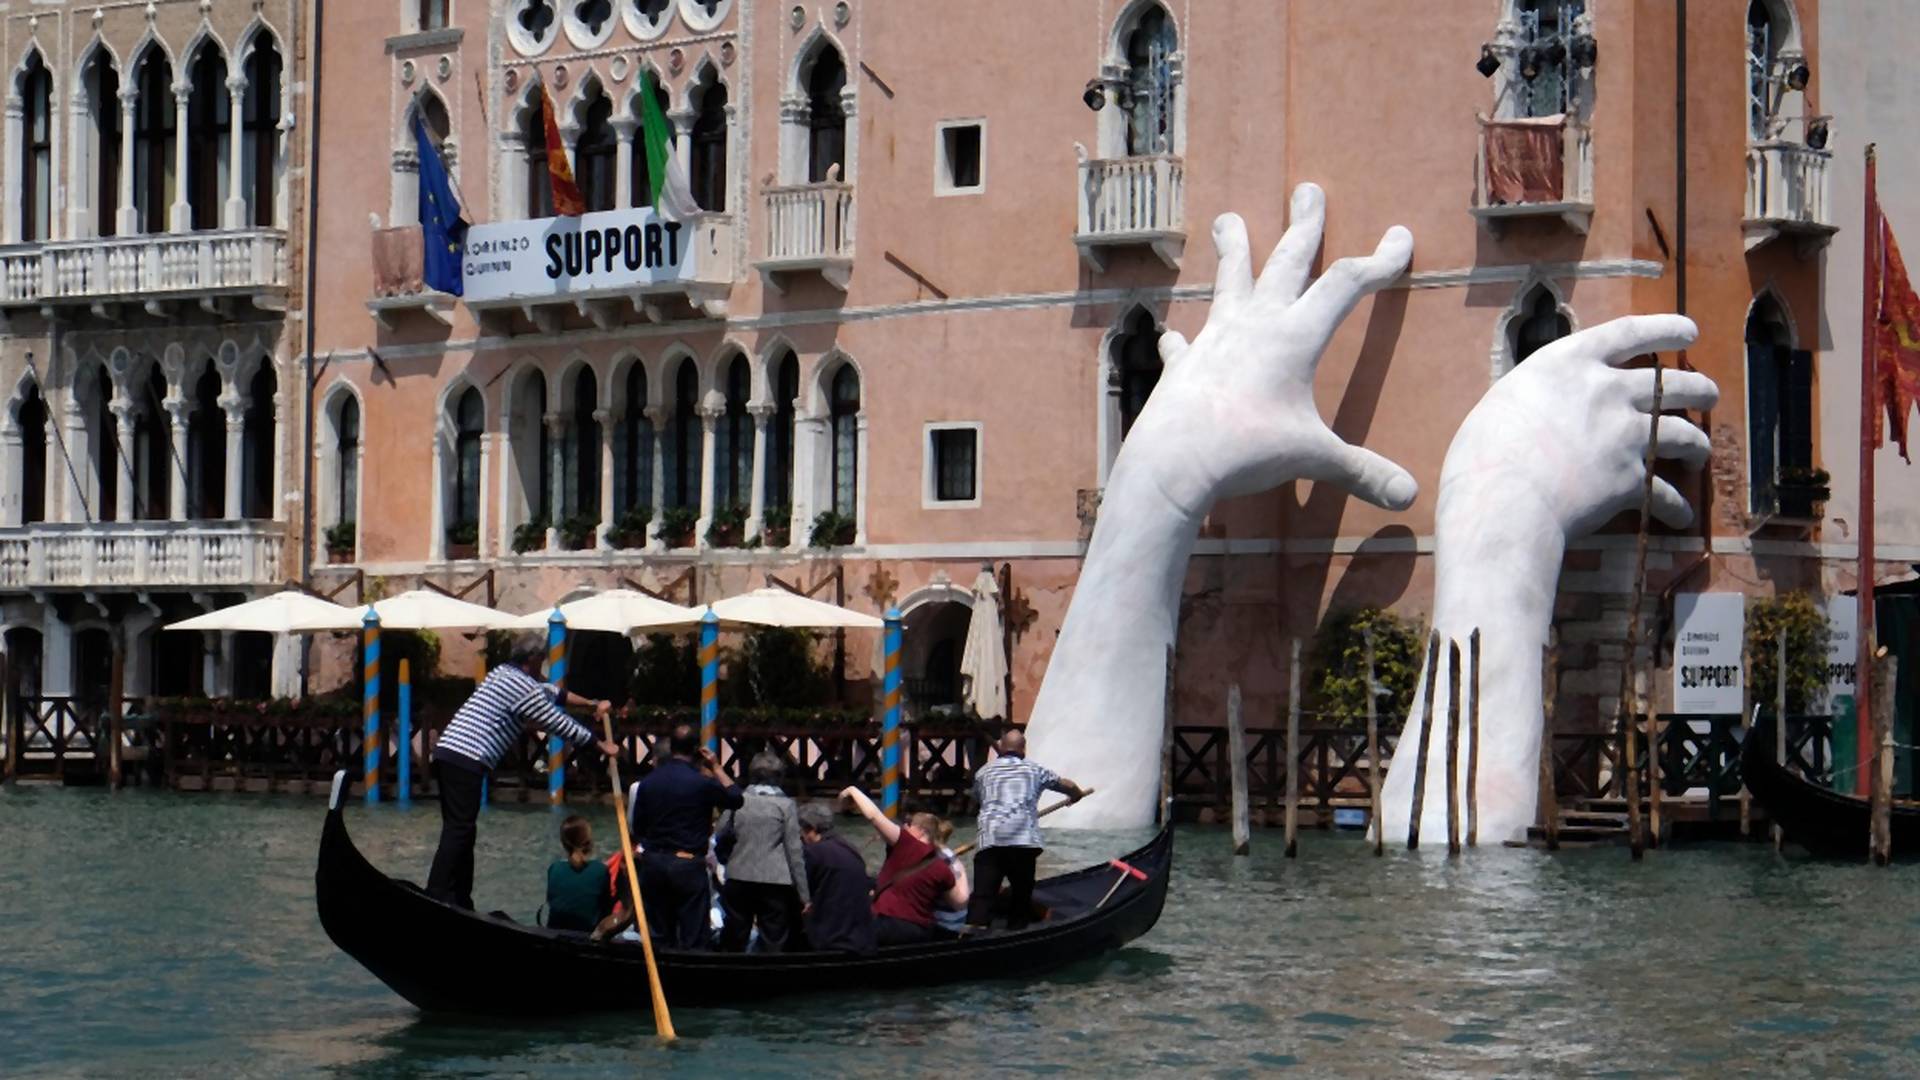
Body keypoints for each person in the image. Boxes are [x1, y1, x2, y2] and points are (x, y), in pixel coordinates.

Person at [427, 633, 618, 910]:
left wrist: (592, 704)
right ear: (532, 659)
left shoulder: (504, 674)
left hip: (451, 755)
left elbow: (555, 693)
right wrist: (601, 745)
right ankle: (437, 893)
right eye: (542, 660)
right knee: (459, 829)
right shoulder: (522, 689)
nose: (544, 666)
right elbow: (557, 723)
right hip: (464, 757)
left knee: (463, 829)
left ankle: (459, 897)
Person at [626, 723, 743, 949]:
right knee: (694, 938)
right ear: (697, 750)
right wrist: (716, 766)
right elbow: (736, 797)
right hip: (687, 866)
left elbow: (639, 828)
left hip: (655, 864)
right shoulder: (702, 783)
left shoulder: (648, 783)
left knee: (659, 936)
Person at [967, 729, 1086, 931]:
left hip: (991, 840)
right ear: (1023, 749)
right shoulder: (1034, 770)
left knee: (983, 896)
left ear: (1002, 748)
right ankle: (1016, 931)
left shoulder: (983, 772)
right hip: (1023, 842)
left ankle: (972, 936)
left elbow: (978, 800)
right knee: (1021, 895)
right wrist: (1076, 795)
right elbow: (1066, 784)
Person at [840, 787, 969, 946]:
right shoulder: (943, 866)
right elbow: (960, 902)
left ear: (921, 831)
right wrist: (960, 870)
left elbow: (874, 816)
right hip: (919, 930)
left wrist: (853, 790)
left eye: (909, 824)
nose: (905, 827)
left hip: (889, 924)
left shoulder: (906, 843)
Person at [714, 752, 811, 952]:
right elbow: (794, 852)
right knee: (773, 938)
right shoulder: (786, 805)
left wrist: (725, 860)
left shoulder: (738, 800)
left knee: (735, 935)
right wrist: (804, 894)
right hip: (775, 880)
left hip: (739, 873)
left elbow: (720, 833)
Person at [797, 801, 876, 954]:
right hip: (862, 937)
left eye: (802, 833)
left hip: (832, 938)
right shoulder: (849, 848)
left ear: (811, 830)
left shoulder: (814, 852)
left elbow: (802, 889)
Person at [546, 815, 617, 935]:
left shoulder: (554, 868)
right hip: (586, 935)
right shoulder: (600, 870)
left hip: (553, 933)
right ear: (589, 843)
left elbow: (551, 901)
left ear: (563, 844)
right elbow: (606, 910)